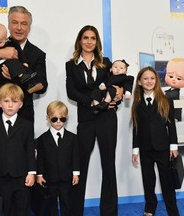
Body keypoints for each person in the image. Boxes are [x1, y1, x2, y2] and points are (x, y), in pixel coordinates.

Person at [66, 25, 122, 216]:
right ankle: (75, 211)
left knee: (108, 163)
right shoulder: (71, 64)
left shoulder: (106, 62)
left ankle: (109, 212)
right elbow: (71, 92)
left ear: (97, 41)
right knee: (80, 164)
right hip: (86, 119)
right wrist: (92, 100)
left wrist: (117, 97)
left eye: (93, 38)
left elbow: (116, 85)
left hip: (107, 118)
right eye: (85, 38)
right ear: (79, 41)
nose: (89, 41)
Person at [131, 66, 180, 216]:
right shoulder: (137, 103)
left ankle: (173, 211)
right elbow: (136, 128)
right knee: (148, 181)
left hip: (163, 148)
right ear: (139, 82)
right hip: (145, 150)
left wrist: (173, 146)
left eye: (152, 78)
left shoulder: (165, 100)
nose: (149, 81)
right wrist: (135, 149)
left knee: (167, 183)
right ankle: (150, 208)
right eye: (145, 78)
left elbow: (171, 125)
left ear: (156, 81)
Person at [0, 83, 36, 216]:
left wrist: (31, 172)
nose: (10, 105)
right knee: (6, 208)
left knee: (22, 208)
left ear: (20, 104)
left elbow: (30, 150)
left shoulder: (27, 125)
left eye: (14, 101)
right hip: (1, 176)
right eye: (6, 101)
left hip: (22, 175)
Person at [0, 6, 48, 123]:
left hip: (24, 116)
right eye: (14, 23)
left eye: (23, 24)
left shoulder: (38, 54)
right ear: (8, 25)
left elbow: (42, 86)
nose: (19, 28)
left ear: (29, 28)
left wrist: (17, 79)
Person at [36, 100, 80, 216]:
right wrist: (39, 175)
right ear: (48, 118)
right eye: (54, 119)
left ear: (66, 118)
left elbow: (75, 157)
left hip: (66, 177)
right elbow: (40, 158)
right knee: (51, 203)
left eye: (62, 119)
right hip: (49, 178)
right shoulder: (42, 139)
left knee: (67, 202)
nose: (59, 122)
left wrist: (76, 173)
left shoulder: (72, 138)